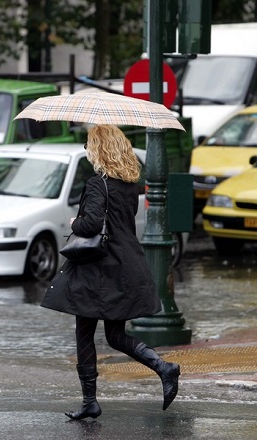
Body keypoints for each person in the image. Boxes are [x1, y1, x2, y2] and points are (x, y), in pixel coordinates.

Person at [41, 124, 180, 420]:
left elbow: (90, 225)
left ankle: (90, 400)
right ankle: (163, 368)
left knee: (85, 333)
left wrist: (74, 221)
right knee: (115, 335)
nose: (88, 150)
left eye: (91, 144)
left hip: (98, 270)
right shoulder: (128, 183)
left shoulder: (97, 183)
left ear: (100, 149)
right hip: (125, 264)